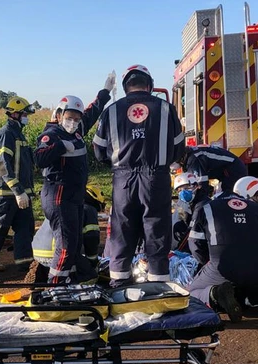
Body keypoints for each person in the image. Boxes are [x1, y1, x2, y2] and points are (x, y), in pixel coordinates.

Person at [92, 64, 185, 287]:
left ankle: (118, 286)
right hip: (156, 178)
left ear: (125, 87)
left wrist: (118, 165)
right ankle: (157, 287)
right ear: (149, 85)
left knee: (121, 231)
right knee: (156, 230)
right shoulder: (166, 108)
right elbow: (179, 148)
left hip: (122, 179)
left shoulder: (111, 111)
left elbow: (98, 149)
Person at [34, 78, 113, 283]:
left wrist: (104, 93)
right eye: (69, 117)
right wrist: (60, 147)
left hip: (74, 196)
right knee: (66, 245)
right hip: (59, 195)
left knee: (75, 243)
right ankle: (55, 285)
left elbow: (92, 113)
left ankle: (70, 280)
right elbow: (39, 159)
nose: (73, 121)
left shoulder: (76, 130)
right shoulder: (51, 135)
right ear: (59, 115)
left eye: (76, 118)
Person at [187, 191, 258, 322]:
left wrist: (207, 261)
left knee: (193, 293)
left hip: (223, 267)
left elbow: (195, 244)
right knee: (246, 285)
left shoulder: (207, 208)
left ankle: (215, 294)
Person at [0, 96, 36, 272]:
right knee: (0, 226)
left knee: (25, 228)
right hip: (6, 192)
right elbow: (2, 164)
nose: (27, 116)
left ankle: (24, 263)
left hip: (22, 192)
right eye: (24, 114)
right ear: (15, 114)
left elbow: (26, 164)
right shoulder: (5, 134)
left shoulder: (19, 134)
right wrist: (17, 190)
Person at [32, 184, 105, 284]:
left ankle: (45, 274)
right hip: (57, 254)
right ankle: (68, 282)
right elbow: (91, 238)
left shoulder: (65, 205)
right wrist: (93, 262)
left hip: (37, 253)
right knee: (90, 275)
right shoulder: (88, 209)